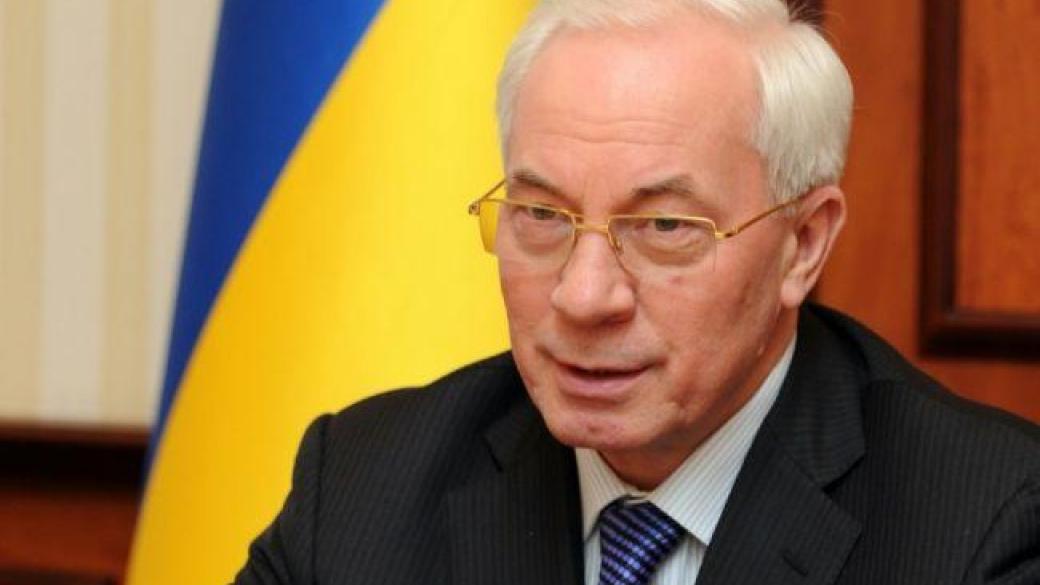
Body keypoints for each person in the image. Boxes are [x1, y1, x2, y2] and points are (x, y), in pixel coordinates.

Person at [235, 1, 1040, 583]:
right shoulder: (361, 489)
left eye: (663, 226)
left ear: (803, 243)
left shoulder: (984, 526)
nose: (584, 296)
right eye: (543, 215)